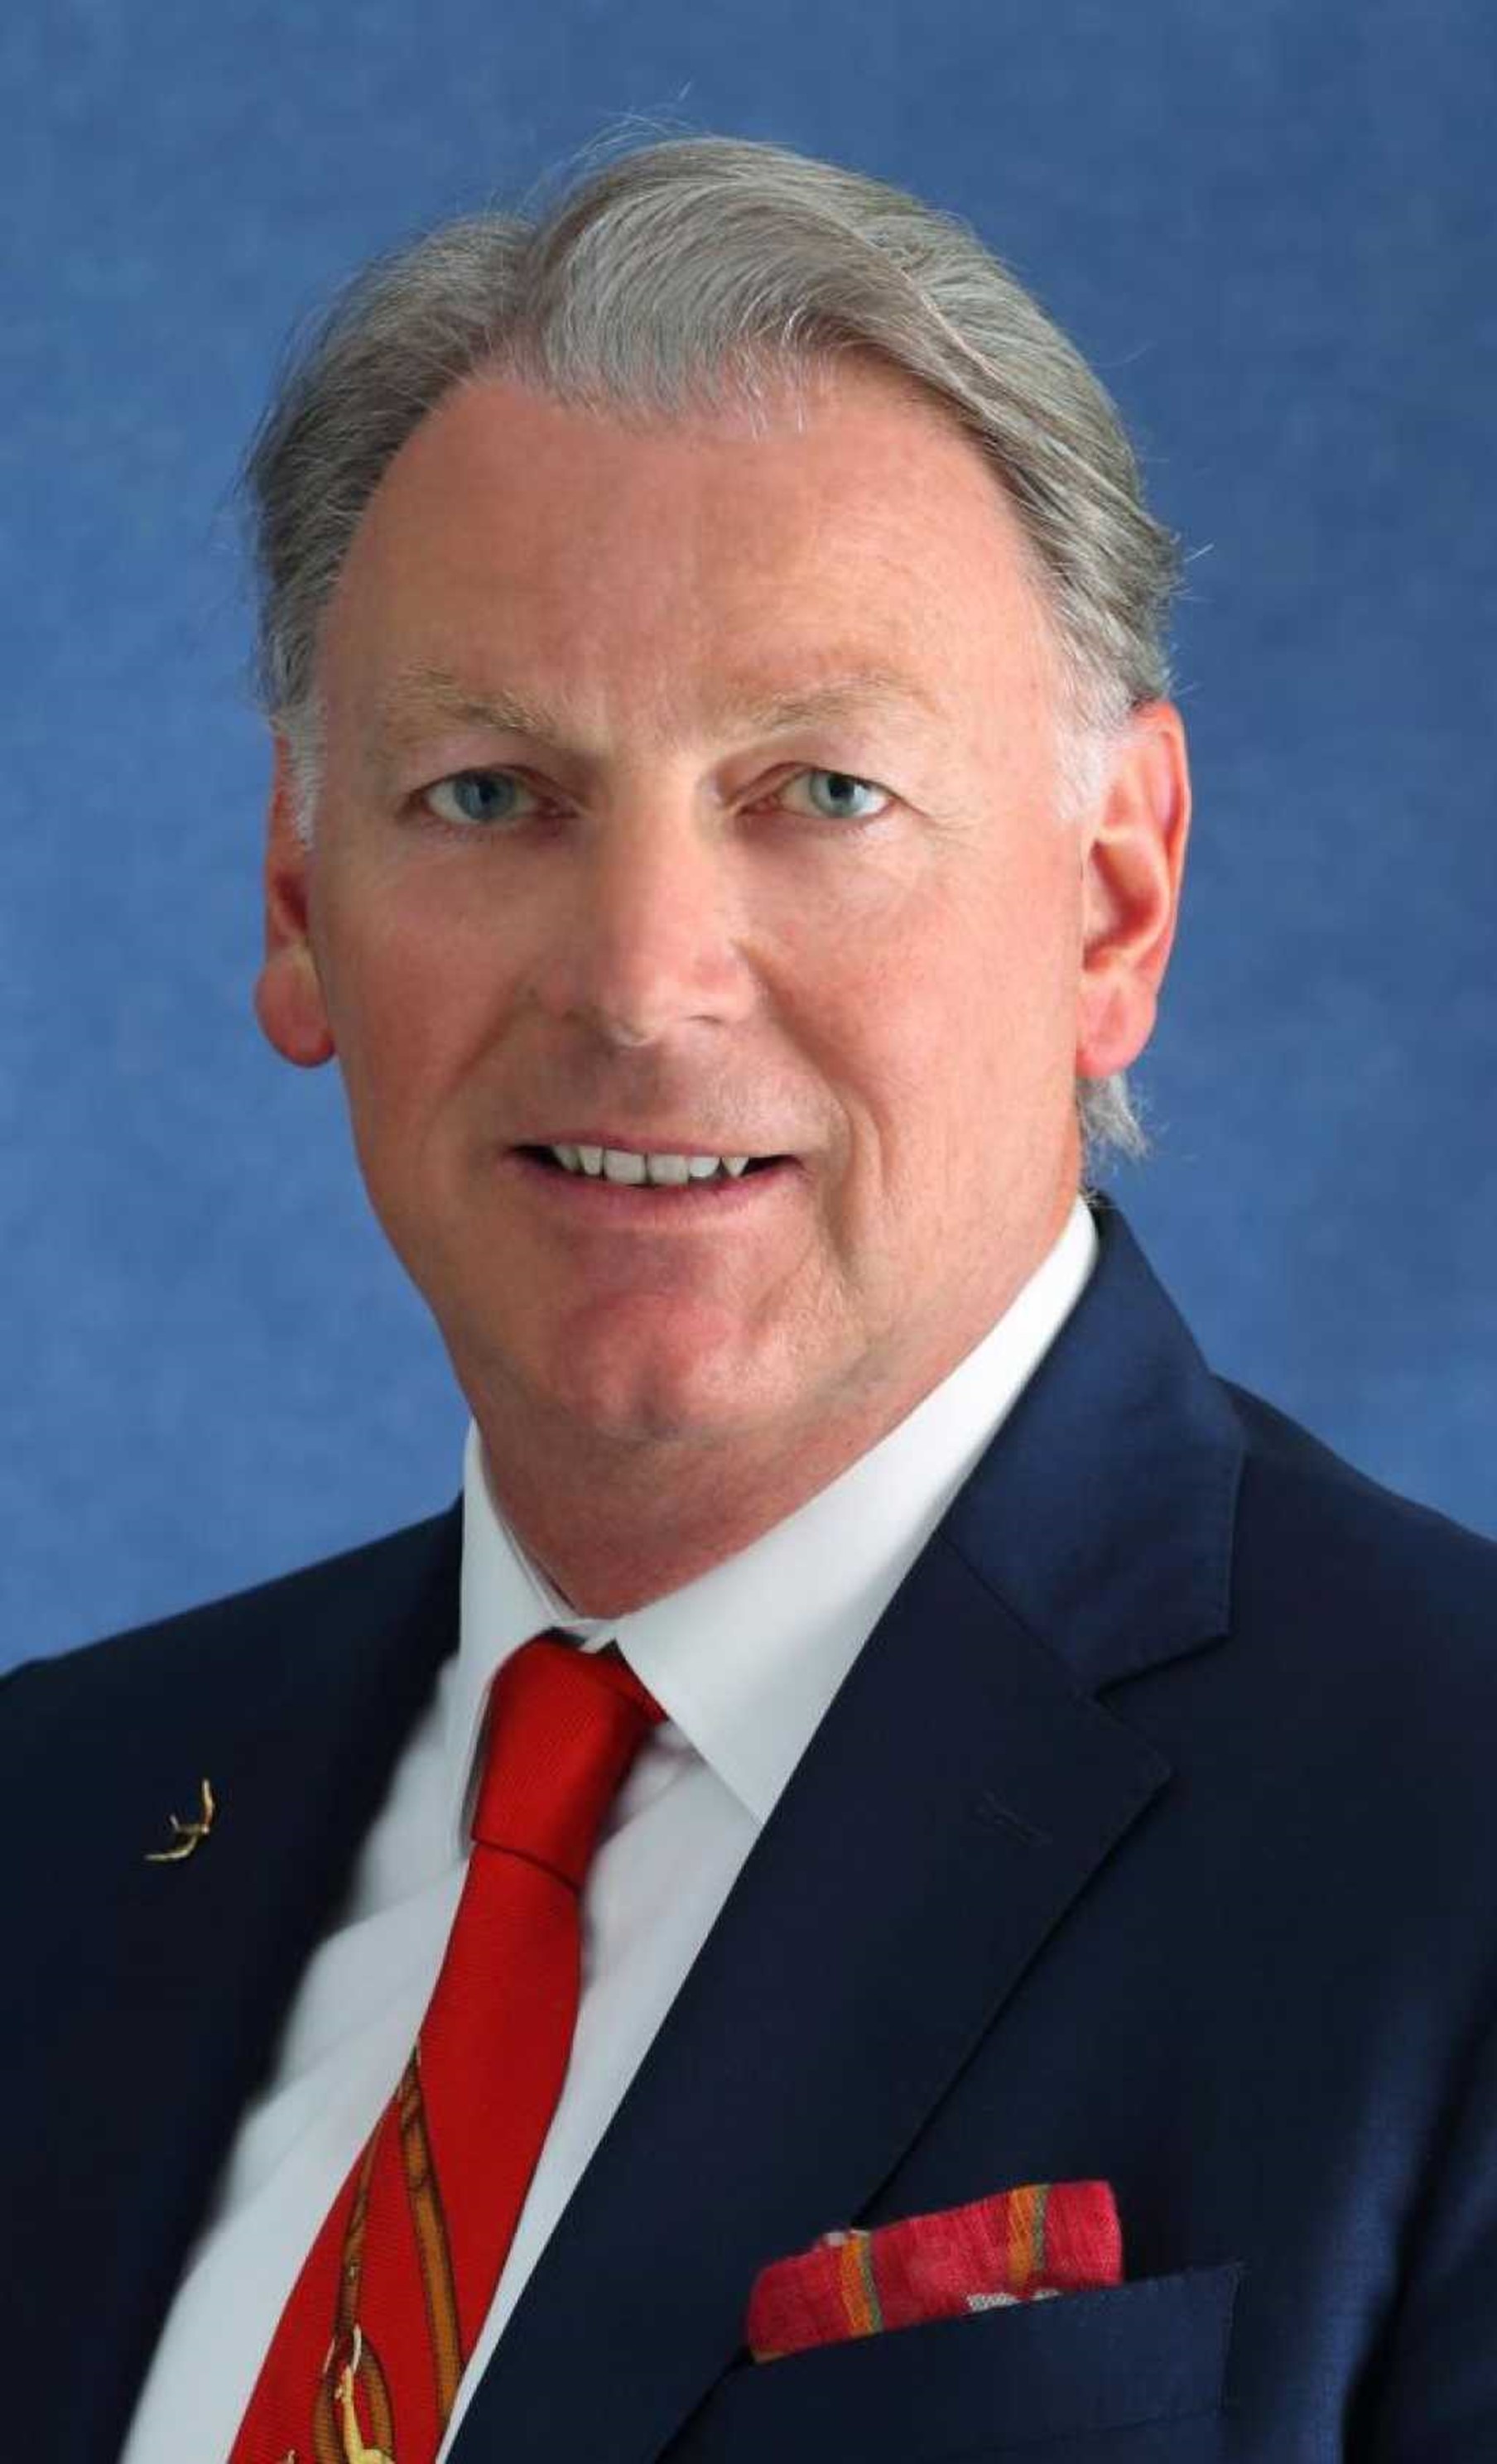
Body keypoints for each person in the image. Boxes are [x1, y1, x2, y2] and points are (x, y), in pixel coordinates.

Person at [4, 128, 1494, 2464]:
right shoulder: (51, 1826)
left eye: (818, 791)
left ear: (1113, 904)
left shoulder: (1450, 1847)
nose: (641, 983)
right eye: (489, 794)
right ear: (299, 897)